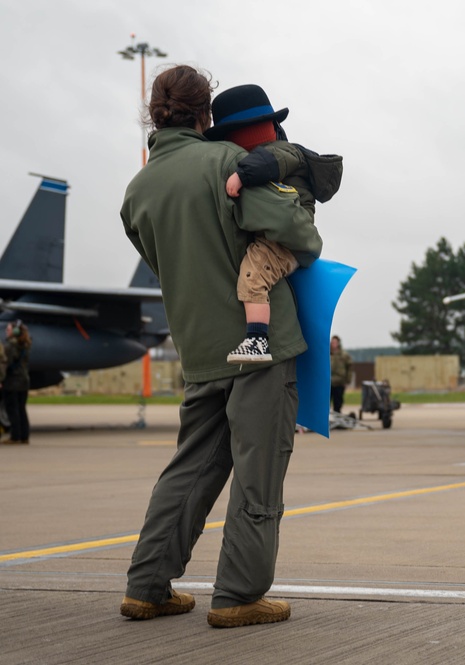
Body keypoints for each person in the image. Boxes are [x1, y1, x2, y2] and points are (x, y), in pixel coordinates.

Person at [119, 65, 322, 628]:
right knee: (258, 470)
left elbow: (164, 264)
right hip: (260, 348)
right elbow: (300, 237)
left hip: (200, 347)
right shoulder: (229, 164)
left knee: (191, 468)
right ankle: (238, 595)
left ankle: (147, 587)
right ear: (205, 113)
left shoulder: (137, 190)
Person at [201, 84, 343, 365]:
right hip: (280, 239)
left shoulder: (281, 153)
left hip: (281, 243)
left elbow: (266, 162)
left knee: (252, 276)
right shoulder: (280, 153)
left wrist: (241, 175)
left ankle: (257, 339)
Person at [0, 321, 26, 445]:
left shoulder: (10, 346)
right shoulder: (25, 345)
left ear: (15, 332)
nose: (6, 331)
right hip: (23, 381)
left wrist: (0, 379)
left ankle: (15, 437)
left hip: (12, 382)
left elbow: (6, 364)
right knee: (21, 410)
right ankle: (24, 436)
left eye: (8, 329)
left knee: (12, 410)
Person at [329, 335, 353, 414]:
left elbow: (349, 368)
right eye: (332, 342)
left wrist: (347, 381)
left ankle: (337, 414)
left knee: (338, 400)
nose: (333, 344)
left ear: (338, 343)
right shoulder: (327, 354)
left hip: (339, 382)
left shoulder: (344, 355)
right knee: (327, 400)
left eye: (335, 342)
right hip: (329, 382)